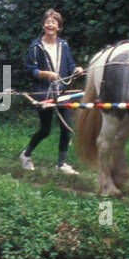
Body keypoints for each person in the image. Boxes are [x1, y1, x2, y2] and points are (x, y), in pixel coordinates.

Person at [21, 9, 85, 173]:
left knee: (66, 127)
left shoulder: (63, 45)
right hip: (44, 92)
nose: (50, 25)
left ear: (59, 27)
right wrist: (45, 74)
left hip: (62, 93)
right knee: (45, 129)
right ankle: (26, 154)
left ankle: (61, 164)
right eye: (47, 22)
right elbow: (30, 70)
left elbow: (69, 65)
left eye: (53, 22)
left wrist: (76, 69)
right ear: (43, 25)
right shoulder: (36, 47)